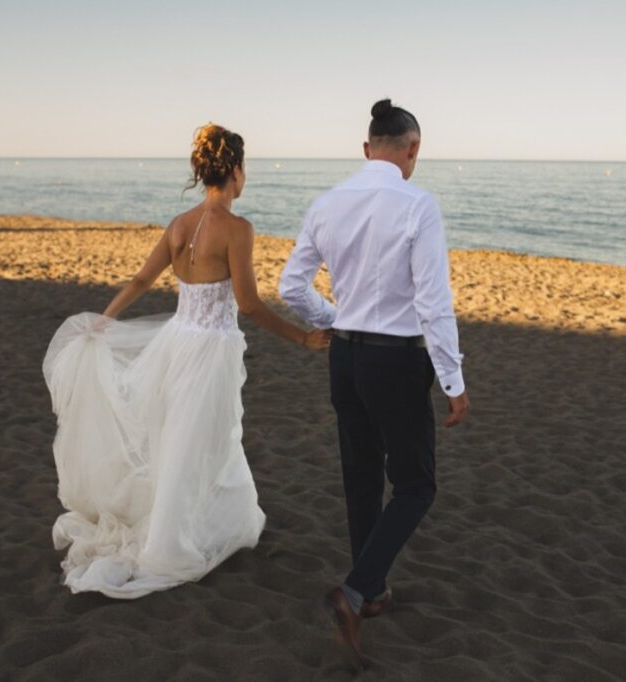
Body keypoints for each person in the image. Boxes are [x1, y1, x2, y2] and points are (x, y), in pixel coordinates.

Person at [42, 124, 330, 599]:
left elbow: (139, 280)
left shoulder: (178, 225)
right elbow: (250, 304)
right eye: (244, 168)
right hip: (209, 351)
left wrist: (105, 320)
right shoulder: (238, 229)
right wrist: (302, 338)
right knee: (201, 440)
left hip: (176, 343)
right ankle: (171, 543)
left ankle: (223, 521)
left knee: (184, 438)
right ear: (235, 170)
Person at [279, 99, 470, 663]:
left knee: (361, 476)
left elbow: (291, 287)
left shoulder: (327, 202)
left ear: (367, 149)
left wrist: (333, 321)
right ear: (412, 150)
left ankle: (371, 591)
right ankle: (356, 590)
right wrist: (453, 378)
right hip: (397, 361)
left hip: (346, 357)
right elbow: (434, 303)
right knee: (415, 485)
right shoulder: (418, 204)